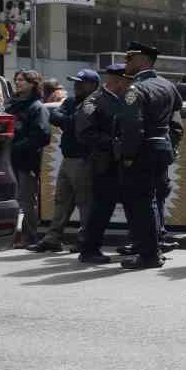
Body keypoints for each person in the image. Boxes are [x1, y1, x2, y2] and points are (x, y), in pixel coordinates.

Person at [116, 41, 182, 269]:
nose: (126, 63)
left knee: (142, 203)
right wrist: (170, 145)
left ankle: (149, 254)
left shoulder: (136, 89)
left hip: (142, 150)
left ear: (142, 60)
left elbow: (132, 126)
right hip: (161, 148)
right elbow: (176, 120)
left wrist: (128, 155)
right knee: (152, 201)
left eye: (129, 58)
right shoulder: (167, 85)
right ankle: (152, 249)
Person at [30, 68, 99, 252]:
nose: (77, 86)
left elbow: (79, 122)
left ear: (93, 85)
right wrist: (70, 120)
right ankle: (52, 238)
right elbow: (55, 117)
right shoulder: (70, 101)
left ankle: (86, 240)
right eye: (76, 82)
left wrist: (68, 120)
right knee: (62, 200)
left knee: (85, 202)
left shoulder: (95, 102)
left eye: (81, 83)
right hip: (68, 158)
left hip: (84, 158)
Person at [74, 64, 131, 264]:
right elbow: (84, 133)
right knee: (101, 208)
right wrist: (114, 143)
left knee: (134, 203)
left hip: (124, 161)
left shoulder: (125, 98)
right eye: (128, 80)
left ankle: (139, 244)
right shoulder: (94, 101)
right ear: (117, 81)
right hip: (104, 162)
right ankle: (89, 249)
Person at [6, 70, 51, 248]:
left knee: (27, 201)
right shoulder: (11, 105)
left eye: (22, 80)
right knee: (11, 200)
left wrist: (16, 147)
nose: (18, 83)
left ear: (33, 84)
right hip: (8, 161)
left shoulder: (37, 108)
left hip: (26, 161)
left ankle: (29, 236)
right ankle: (10, 236)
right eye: (16, 80)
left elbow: (42, 136)